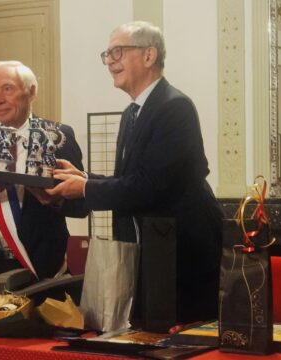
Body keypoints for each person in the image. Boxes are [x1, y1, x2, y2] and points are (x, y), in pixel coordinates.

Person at [47, 21, 224, 323]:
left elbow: (151, 185)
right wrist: (84, 178)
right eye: (107, 54)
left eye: (119, 51)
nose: (111, 61)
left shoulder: (175, 107)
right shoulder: (133, 111)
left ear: (148, 56)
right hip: (154, 249)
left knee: (180, 339)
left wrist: (86, 188)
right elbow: (133, 179)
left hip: (182, 252)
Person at [0, 61, 87, 280]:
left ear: (31, 92)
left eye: (7, 89)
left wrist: (53, 199)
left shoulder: (57, 136)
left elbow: (81, 206)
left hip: (40, 265)